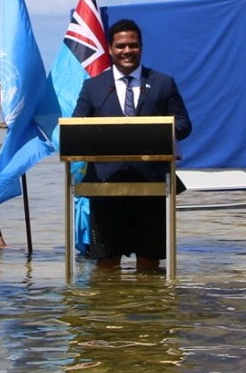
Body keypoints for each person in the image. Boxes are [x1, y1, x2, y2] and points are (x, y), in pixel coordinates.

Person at [72, 19, 191, 264]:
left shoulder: (162, 83)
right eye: (121, 46)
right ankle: (111, 304)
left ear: (141, 47)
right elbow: (77, 127)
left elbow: (183, 124)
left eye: (133, 45)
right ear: (111, 48)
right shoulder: (93, 87)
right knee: (106, 264)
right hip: (105, 185)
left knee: (149, 263)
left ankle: (146, 303)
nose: (127, 51)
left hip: (151, 184)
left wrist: (156, 136)